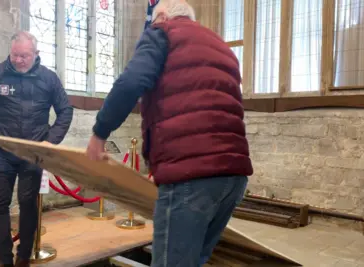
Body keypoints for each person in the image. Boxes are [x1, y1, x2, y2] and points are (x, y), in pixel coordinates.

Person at [86, 0, 253, 266]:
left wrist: (99, 133)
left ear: (161, 17)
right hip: (234, 177)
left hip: (191, 176)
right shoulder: (222, 47)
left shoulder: (163, 32)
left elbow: (130, 82)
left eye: (152, 21)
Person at [0, 31, 73, 267]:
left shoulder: (48, 79)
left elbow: (66, 110)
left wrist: (50, 140)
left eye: (24, 56)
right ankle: (4, 258)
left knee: (28, 202)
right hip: (2, 150)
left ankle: (23, 256)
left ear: (36, 54)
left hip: (33, 152)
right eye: (15, 55)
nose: (19, 60)